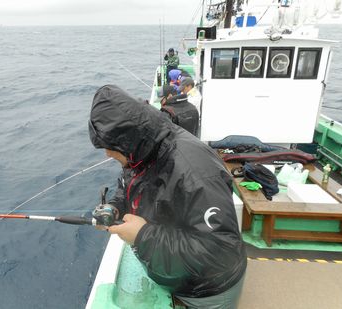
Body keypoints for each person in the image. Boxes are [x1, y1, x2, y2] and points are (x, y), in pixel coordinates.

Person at [89, 85, 247, 309]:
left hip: (206, 291)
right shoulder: (139, 150)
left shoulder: (195, 172)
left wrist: (144, 236)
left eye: (112, 150)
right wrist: (115, 207)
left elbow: (220, 252)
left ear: (126, 142)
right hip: (173, 276)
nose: (107, 154)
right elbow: (128, 182)